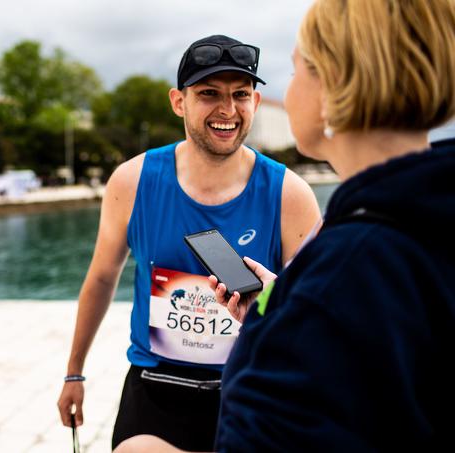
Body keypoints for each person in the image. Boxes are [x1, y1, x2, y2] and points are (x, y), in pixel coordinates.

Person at [115, 0, 455, 451]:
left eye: (296, 73)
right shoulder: (423, 226)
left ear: (336, 86)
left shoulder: (345, 270)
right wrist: (278, 306)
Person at [57, 35, 321, 451]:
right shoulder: (133, 180)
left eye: (241, 95)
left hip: (251, 387)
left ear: (254, 101)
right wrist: (74, 372)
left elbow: (320, 314)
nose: (228, 110)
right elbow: (103, 277)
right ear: (178, 102)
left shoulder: (290, 194)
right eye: (209, 94)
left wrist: (271, 301)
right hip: (155, 384)